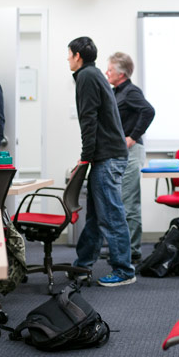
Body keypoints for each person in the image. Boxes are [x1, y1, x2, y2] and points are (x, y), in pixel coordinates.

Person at [68, 37, 136, 286]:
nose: (67, 59)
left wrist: (85, 157)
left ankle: (124, 271)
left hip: (107, 156)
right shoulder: (93, 74)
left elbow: (89, 119)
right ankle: (83, 264)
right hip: (106, 154)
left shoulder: (86, 76)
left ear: (77, 56)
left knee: (111, 216)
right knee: (97, 217)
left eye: (69, 55)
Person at [106, 51, 155, 264]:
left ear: (122, 74)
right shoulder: (117, 92)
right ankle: (122, 247)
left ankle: (133, 250)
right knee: (121, 201)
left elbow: (149, 111)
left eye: (110, 70)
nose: (107, 73)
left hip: (132, 152)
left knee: (129, 201)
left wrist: (133, 137)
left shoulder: (131, 92)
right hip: (120, 153)